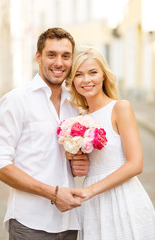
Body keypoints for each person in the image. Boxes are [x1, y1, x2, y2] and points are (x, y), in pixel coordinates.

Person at [0, 28, 90, 240]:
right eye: (51, 55)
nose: (59, 63)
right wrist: (54, 194)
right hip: (31, 223)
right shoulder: (17, 100)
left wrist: (79, 163)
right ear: (38, 57)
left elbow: (59, 160)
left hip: (69, 222)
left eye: (65, 56)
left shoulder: (75, 104)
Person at [66, 45, 155, 240]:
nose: (86, 80)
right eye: (79, 74)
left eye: (93, 72)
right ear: (72, 81)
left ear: (104, 75)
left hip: (123, 198)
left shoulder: (120, 108)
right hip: (94, 206)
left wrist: (90, 190)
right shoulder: (77, 120)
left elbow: (135, 164)